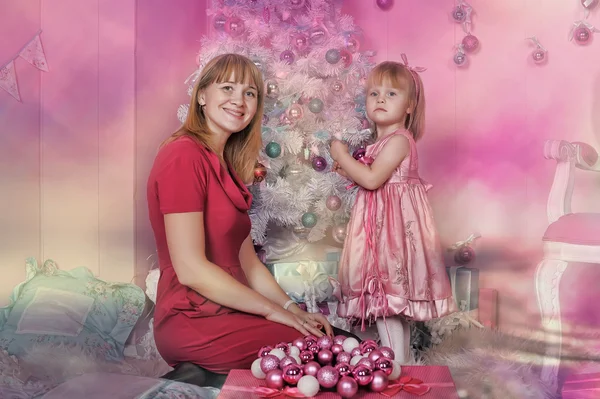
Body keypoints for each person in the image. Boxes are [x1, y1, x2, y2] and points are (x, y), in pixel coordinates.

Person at [147, 54, 348, 385]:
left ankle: (202, 378)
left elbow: (248, 263)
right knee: (334, 354)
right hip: (194, 318)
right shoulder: (183, 155)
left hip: (231, 312)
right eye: (227, 88)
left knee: (337, 342)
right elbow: (191, 268)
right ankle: (199, 373)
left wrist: (292, 309)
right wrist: (274, 313)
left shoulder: (225, 165)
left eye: (250, 93)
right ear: (201, 96)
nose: (239, 101)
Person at [330, 55, 457, 364]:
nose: (380, 100)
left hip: (393, 232)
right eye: (374, 94)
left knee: (387, 297)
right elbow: (369, 177)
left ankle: (394, 366)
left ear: (410, 106)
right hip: (379, 227)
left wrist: (341, 155)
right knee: (388, 304)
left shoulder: (400, 139)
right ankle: (398, 364)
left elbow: (372, 180)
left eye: (391, 94)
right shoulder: (382, 141)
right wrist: (350, 170)